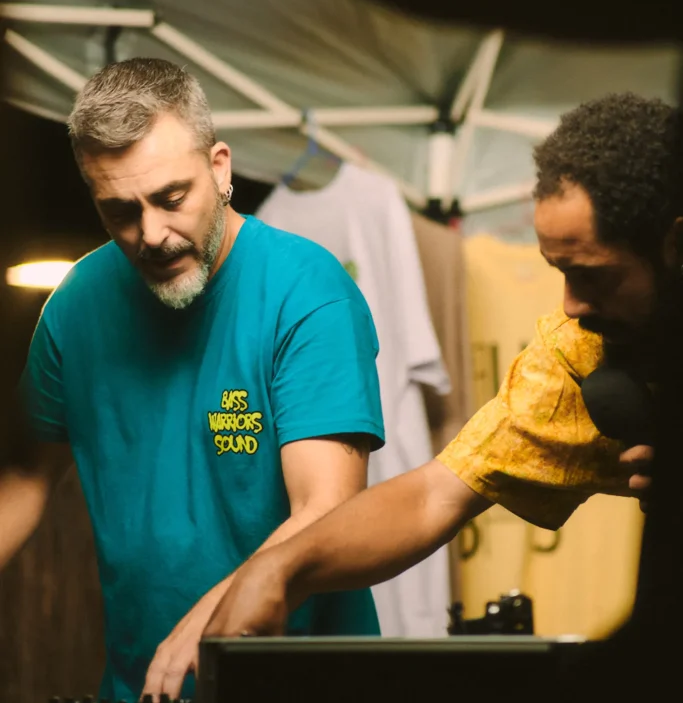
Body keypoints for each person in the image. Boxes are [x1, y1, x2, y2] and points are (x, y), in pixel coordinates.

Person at [205, 91, 681, 638]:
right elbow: (436, 494)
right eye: (560, 272)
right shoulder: (577, 354)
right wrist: (277, 569)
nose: (572, 304)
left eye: (594, 275)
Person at [4, 57, 385, 703]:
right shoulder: (73, 307)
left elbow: (326, 508)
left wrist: (208, 624)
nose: (150, 234)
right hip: (141, 695)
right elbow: (21, 479)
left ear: (220, 167)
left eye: (170, 198)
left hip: (305, 700)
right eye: (119, 210)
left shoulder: (306, 292)